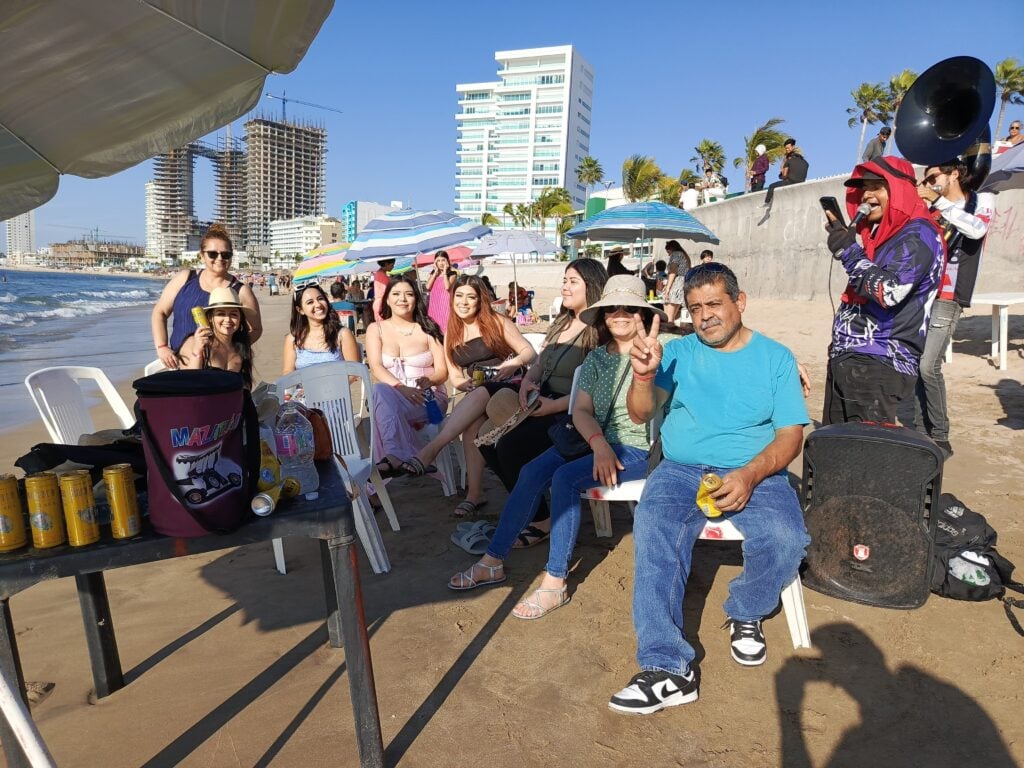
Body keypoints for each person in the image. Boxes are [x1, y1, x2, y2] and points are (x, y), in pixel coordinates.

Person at [607, 262, 810, 715]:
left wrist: (751, 475)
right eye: (696, 308)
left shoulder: (775, 357)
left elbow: (791, 435)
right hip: (681, 468)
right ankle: (666, 668)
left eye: (714, 304)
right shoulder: (676, 352)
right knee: (654, 525)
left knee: (786, 539)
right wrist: (642, 375)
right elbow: (641, 415)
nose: (705, 316)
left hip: (756, 468)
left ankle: (746, 610)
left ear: (740, 302)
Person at [448, 276, 668, 618]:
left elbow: (645, 417)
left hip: (637, 448)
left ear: (643, 313)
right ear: (604, 314)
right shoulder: (597, 359)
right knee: (532, 470)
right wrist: (598, 443)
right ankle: (492, 560)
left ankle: (555, 582)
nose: (620, 314)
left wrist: (646, 374)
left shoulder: (658, 353)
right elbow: (580, 410)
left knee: (565, 478)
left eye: (630, 308)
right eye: (613, 308)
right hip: (592, 440)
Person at [478, 259, 608, 547]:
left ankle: (542, 519)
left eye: (573, 281)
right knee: (485, 440)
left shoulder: (599, 330)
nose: (565, 285)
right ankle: (525, 504)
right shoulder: (562, 322)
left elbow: (597, 392)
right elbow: (539, 363)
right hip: (540, 401)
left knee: (510, 447)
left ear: (593, 286)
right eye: (565, 279)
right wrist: (527, 381)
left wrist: (553, 406)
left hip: (571, 412)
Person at [822, 156, 945, 426]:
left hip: (879, 366)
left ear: (899, 190)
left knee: (867, 460)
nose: (867, 195)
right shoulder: (883, 236)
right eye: (864, 187)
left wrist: (849, 252)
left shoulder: (918, 235)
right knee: (837, 455)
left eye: (877, 186)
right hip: (853, 361)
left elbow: (890, 292)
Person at [409, 275, 536, 515]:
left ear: (480, 301)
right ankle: (475, 494)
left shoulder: (496, 322)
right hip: (478, 391)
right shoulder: (451, 333)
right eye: (459, 296)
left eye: (471, 297)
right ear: (452, 298)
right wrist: (463, 384)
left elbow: (529, 353)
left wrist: (512, 364)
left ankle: (433, 449)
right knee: (471, 425)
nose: (464, 302)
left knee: (480, 394)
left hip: (510, 386)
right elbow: (454, 376)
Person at [896, 159, 994, 456]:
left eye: (933, 176)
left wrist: (938, 201)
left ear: (954, 173)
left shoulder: (981, 199)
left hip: (950, 296)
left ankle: (939, 434)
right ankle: (917, 430)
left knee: (929, 365)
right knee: (914, 362)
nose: (929, 183)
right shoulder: (931, 207)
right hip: (922, 294)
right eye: (925, 179)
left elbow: (976, 230)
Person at [365, 273, 449, 478]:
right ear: (387, 299)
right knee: (380, 391)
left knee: (380, 405)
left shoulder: (428, 328)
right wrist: (402, 388)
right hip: (394, 396)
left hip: (428, 397)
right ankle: (401, 456)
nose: (402, 299)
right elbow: (376, 367)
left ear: (416, 299)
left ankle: (391, 460)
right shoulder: (376, 329)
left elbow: (442, 372)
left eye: (409, 294)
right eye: (396, 294)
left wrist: (430, 380)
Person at [151, 223, 262, 370]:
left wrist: (233, 349)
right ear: (202, 255)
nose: (220, 258)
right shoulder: (185, 279)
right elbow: (160, 312)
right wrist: (162, 347)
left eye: (226, 254)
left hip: (220, 365)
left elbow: (256, 329)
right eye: (213, 254)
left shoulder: (240, 290)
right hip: (183, 363)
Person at [177, 287, 254, 388]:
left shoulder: (241, 346)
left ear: (240, 319)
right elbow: (188, 384)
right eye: (220, 314)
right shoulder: (193, 342)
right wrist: (197, 350)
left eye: (234, 314)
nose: (228, 319)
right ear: (210, 318)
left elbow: (245, 386)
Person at [282, 283, 360, 374]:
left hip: (337, 387)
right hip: (303, 388)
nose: (318, 304)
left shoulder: (342, 334)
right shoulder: (293, 339)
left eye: (320, 299)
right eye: (310, 302)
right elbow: (287, 372)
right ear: (300, 310)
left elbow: (354, 371)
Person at [763, 139, 808, 208]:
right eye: (786, 148)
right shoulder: (803, 160)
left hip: (791, 181)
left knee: (771, 186)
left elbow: (784, 175)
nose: (787, 149)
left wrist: (782, 171)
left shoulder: (788, 160)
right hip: (801, 181)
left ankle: (767, 202)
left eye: (788, 148)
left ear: (793, 147)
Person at [425, 250, 458, 332]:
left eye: (443, 260)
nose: (441, 263)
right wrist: (435, 272)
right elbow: (428, 286)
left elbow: (447, 287)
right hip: (434, 304)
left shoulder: (452, 273)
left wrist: (445, 272)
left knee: (446, 328)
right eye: (438, 261)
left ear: (447, 261)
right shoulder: (433, 273)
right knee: (434, 329)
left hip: (445, 304)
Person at [661, 240, 692, 323]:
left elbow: (673, 271)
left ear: (671, 249)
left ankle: (667, 334)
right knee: (673, 316)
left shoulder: (676, 254)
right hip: (683, 284)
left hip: (676, 284)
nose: (668, 254)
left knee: (668, 317)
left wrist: (667, 289)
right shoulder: (685, 255)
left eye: (668, 252)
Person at [371, 258, 397, 323]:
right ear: (386, 264)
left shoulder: (380, 273)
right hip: (382, 305)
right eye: (392, 265)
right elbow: (386, 291)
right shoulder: (382, 275)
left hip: (380, 304)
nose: (393, 267)